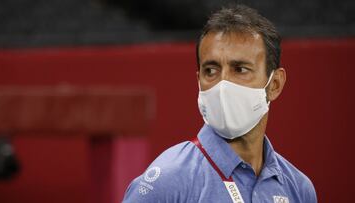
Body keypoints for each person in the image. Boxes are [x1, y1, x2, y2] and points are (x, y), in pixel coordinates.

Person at [123, 4, 317, 203]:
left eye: (240, 69)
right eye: (211, 70)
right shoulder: (167, 182)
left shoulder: (299, 189)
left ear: (275, 84)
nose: (223, 84)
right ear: (199, 80)